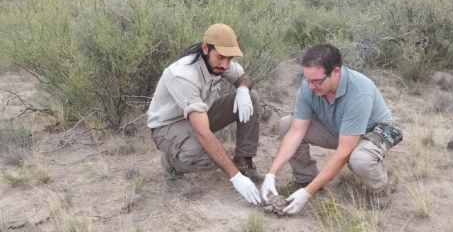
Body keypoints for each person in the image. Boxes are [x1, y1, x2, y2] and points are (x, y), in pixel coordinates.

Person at [260, 43, 402, 214]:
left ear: (335, 72)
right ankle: (306, 179)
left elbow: (344, 152)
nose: (310, 86)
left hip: (374, 131)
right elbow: (296, 131)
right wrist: (271, 174)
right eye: (307, 80)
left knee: (360, 159)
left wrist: (307, 194)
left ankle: (381, 189)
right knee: (286, 124)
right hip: (342, 129)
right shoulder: (309, 88)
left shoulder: (359, 92)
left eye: (316, 81)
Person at [147, 23, 263, 204]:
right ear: (205, 48)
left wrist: (242, 89)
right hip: (167, 127)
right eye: (221, 57)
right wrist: (234, 178)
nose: (225, 64)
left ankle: (243, 162)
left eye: (230, 58)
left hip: (200, 114)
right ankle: (171, 164)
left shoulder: (221, 62)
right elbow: (203, 132)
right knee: (211, 158)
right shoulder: (183, 75)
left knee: (252, 96)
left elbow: (243, 78)